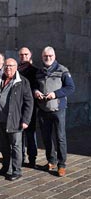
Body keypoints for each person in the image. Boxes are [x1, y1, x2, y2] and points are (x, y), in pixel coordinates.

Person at [35, 46, 75, 177]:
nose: (48, 58)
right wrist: (36, 92)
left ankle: (61, 164)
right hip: (43, 109)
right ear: (42, 57)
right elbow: (35, 85)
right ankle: (51, 160)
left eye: (50, 56)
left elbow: (70, 88)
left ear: (54, 56)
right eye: (45, 56)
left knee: (60, 137)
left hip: (58, 109)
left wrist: (56, 94)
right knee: (46, 137)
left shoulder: (62, 70)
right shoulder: (39, 71)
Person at [0, 58, 33, 181]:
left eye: (11, 66)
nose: (8, 68)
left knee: (16, 146)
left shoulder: (22, 82)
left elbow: (29, 102)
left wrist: (26, 120)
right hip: (0, 120)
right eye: (6, 66)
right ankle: (6, 167)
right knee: (4, 146)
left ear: (16, 67)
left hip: (15, 120)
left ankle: (16, 170)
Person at [18, 47, 38, 168]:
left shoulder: (35, 71)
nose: (24, 57)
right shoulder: (16, 70)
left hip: (30, 106)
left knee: (30, 134)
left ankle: (32, 158)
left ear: (30, 55)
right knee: (19, 134)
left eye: (26, 54)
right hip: (17, 107)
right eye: (21, 55)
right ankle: (20, 157)